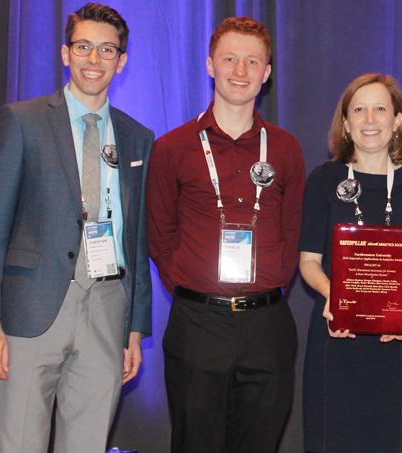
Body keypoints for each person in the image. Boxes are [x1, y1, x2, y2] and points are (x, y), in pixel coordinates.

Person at [0, 3, 153, 451]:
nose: (95, 60)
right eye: (84, 47)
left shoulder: (137, 136)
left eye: (107, 50)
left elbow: (136, 237)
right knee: (19, 443)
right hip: (32, 308)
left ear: (122, 61)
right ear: (65, 53)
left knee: (88, 443)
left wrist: (134, 326)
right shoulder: (23, 121)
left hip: (108, 308)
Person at [146, 16, 305, 453]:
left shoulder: (286, 148)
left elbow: (293, 229)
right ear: (210, 65)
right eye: (230, 59)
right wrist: (190, 286)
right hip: (198, 323)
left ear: (267, 73)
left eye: (252, 61)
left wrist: (269, 279)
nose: (240, 70)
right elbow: (159, 235)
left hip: (267, 325)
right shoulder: (172, 147)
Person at [299, 74, 402, 453]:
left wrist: (398, 303)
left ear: (397, 120)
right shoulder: (324, 180)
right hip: (336, 334)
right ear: (345, 123)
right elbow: (309, 262)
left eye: (380, 109)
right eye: (358, 110)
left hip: (400, 338)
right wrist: (338, 300)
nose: (370, 119)